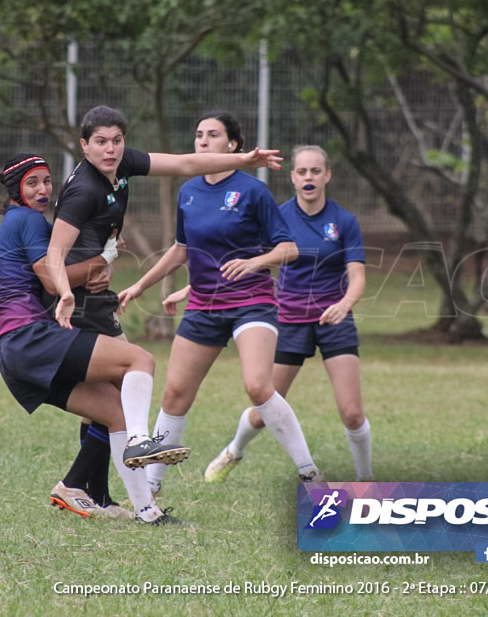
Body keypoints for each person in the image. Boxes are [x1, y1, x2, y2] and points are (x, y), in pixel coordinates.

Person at [45, 105, 285, 515]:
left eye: (117, 140)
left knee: (112, 398)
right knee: (128, 383)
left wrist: (243, 160)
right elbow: (54, 253)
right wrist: (67, 291)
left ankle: (88, 489)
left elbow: (187, 162)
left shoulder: (121, 164)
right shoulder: (85, 188)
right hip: (79, 302)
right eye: (100, 142)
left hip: (97, 294)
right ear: (84, 146)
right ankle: (131, 483)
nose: (111, 149)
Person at [117, 111, 326, 497]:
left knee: (257, 386)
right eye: (199, 135)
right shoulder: (190, 191)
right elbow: (181, 250)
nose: (203, 140)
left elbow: (290, 249)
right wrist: (141, 285)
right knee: (175, 393)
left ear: (233, 145)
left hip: (252, 302)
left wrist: (255, 262)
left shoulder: (253, 191)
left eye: (213, 135)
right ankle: (151, 488)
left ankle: (310, 473)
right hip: (203, 305)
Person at [0, 153, 190, 525]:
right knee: (139, 361)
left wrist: (93, 269)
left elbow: (55, 274)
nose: (43, 189)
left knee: (113, 409)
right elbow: (53, 279)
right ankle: (139, 443)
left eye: (47, 181)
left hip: (14, 352)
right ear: (15, 189)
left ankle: (135, 508)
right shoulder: (28, 219)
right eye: (32, 183)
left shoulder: (13, 223)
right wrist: (106, 256)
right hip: (30, 337)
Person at [204, 145, 372, 484]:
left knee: (352, 414)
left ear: (327, 176)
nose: (308, 177)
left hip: (334, 321)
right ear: (293, 177)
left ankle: (366, 480)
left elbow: (358, 278)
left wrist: (344, 304)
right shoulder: (277, 217)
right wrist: (193, 290)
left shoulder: (344, 221)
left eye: (315, 171)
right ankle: (234, 451)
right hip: (288, 319)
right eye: (302, 172)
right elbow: (246, 264)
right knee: (263, 411)